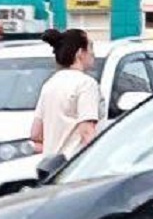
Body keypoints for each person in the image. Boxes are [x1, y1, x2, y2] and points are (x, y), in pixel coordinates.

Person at [30, 28, 100, 157]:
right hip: (75, 164)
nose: (93, 53)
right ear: (80, 52)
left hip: (50, 164)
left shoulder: (50, 84)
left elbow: (36, 133)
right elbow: (86, 131)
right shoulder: (86, 84)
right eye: (90, 47)